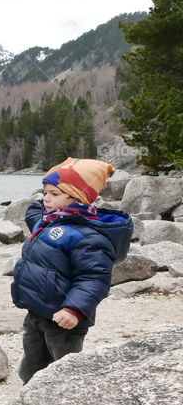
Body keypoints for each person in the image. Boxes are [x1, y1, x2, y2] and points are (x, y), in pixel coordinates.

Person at [11, 157, 133, 384]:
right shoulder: (48, 220)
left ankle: (69, 402)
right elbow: (33, 213)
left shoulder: (89, 236)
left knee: (66, 368)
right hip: (36, 311)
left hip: (65, 320)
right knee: (32, 365)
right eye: (44, 192)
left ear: (77, 198)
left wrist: (74, 310)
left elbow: (93, 278)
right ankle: (32, 398)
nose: (46, 198)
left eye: (54, 194)